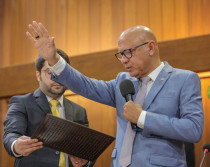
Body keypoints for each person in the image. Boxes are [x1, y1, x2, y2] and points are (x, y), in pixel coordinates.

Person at [26, 21, 204, 167]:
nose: (124, 60)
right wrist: (53, 60)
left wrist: (142, 117)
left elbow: (194, 129)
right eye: (120, 54)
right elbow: (86, 85)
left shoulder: (184, 79)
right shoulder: (122, 82)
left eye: (128, 52)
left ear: (150, 47)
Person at [3, 49, 93, 167]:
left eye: (61, 72)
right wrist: (15, 145)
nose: (57, 78)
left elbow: (87, 151)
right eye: (50, 73)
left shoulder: (79, 111)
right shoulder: (21, 103)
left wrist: (86, 161)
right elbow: (11, 134)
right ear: (38, 75)